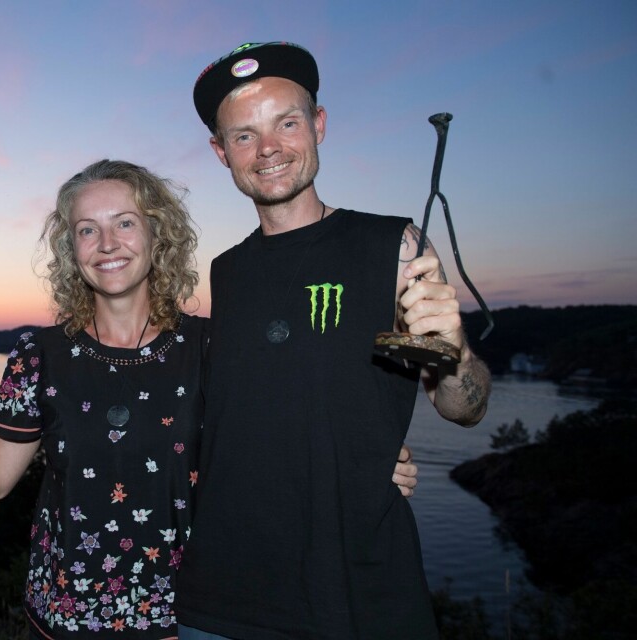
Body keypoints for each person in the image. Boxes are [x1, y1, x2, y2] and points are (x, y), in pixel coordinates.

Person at [0, 160, 419, 638]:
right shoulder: (39, 354)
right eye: (87, 229)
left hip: (190, 619)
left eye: (125, 223)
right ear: (71, 249)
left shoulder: (213, 346)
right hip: (65, 621)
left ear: (157, 234)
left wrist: (365, 461)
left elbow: (281, 432)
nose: (107, 243)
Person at [173, 42, 492, 640]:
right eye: (244, 135)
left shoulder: (394, 248)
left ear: (318, 125)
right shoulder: (226, 271)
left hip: (355, 593)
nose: (268, 149)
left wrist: (456, 351)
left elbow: (462, 409)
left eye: (287, 123)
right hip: (221, 595)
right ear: (221, 153)